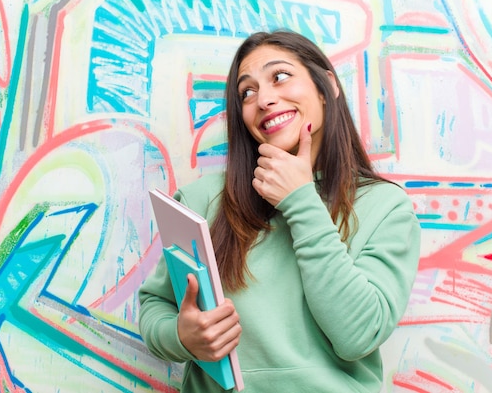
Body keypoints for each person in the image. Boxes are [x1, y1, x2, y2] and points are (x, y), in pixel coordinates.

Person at [138, 30, 421, 392]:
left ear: (326, 86)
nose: (264, 99)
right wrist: (181, 336)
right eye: (248, 92)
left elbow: (359, 335)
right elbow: (155, 305)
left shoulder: (385, 206)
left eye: (280, 76)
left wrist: (301, 199)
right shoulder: (201, 200)